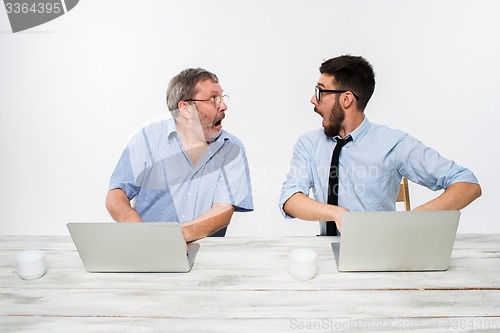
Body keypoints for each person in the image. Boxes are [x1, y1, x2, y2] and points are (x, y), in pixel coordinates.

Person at [279, 55, 481, 236]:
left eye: (321, 91)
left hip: (382, 254)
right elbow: (290, 199)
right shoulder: (309, 144)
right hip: (328, 256)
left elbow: (467, 184)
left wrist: (416, 219)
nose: (313, 99)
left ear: (347, 99)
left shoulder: (393, 143)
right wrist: (337, 213)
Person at [106, 68, 253, 242]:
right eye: (214, 98)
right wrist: (139, 232)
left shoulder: (232, 148)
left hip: (205, 258)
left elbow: (223, 210)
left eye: (222, 97)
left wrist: (175, 238)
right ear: (186, 109)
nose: (223, 105)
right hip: (147, 252)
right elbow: (116, 194)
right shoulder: (147, 139)